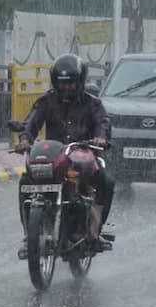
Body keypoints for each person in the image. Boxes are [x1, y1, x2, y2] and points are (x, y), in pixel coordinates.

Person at [15, 53, 115, 252]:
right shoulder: (46, 101)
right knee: (25, 181)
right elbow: (31, 122)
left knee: (105, 180)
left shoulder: (93, 104)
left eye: (70, 84)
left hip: (83, 156)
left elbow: (102, 123)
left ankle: (95, 231)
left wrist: (100, 137)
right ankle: (29, 235)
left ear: (80, 82)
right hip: (54, 157)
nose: (65, 88)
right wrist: (25, 139)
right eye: (61, 84)